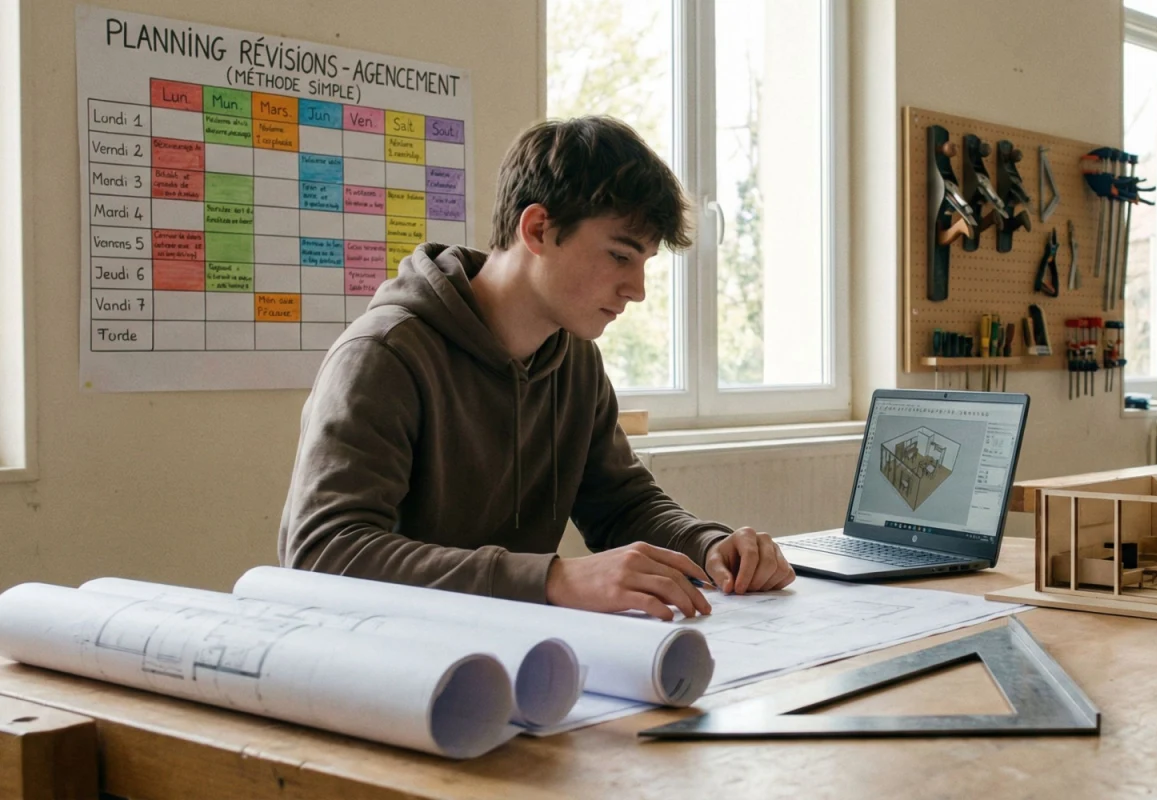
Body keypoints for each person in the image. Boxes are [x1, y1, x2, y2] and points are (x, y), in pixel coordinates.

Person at [279, 116, 795, 621]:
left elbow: (621, 505)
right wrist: (553, 580)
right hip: (386, 668)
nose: (637, 290)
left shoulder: (575, 360)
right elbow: (323, 553)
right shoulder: (383, 354)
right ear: (538, 228)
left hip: (517, 655)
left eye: (644, 264)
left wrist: (708, 545)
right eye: (620, 256)